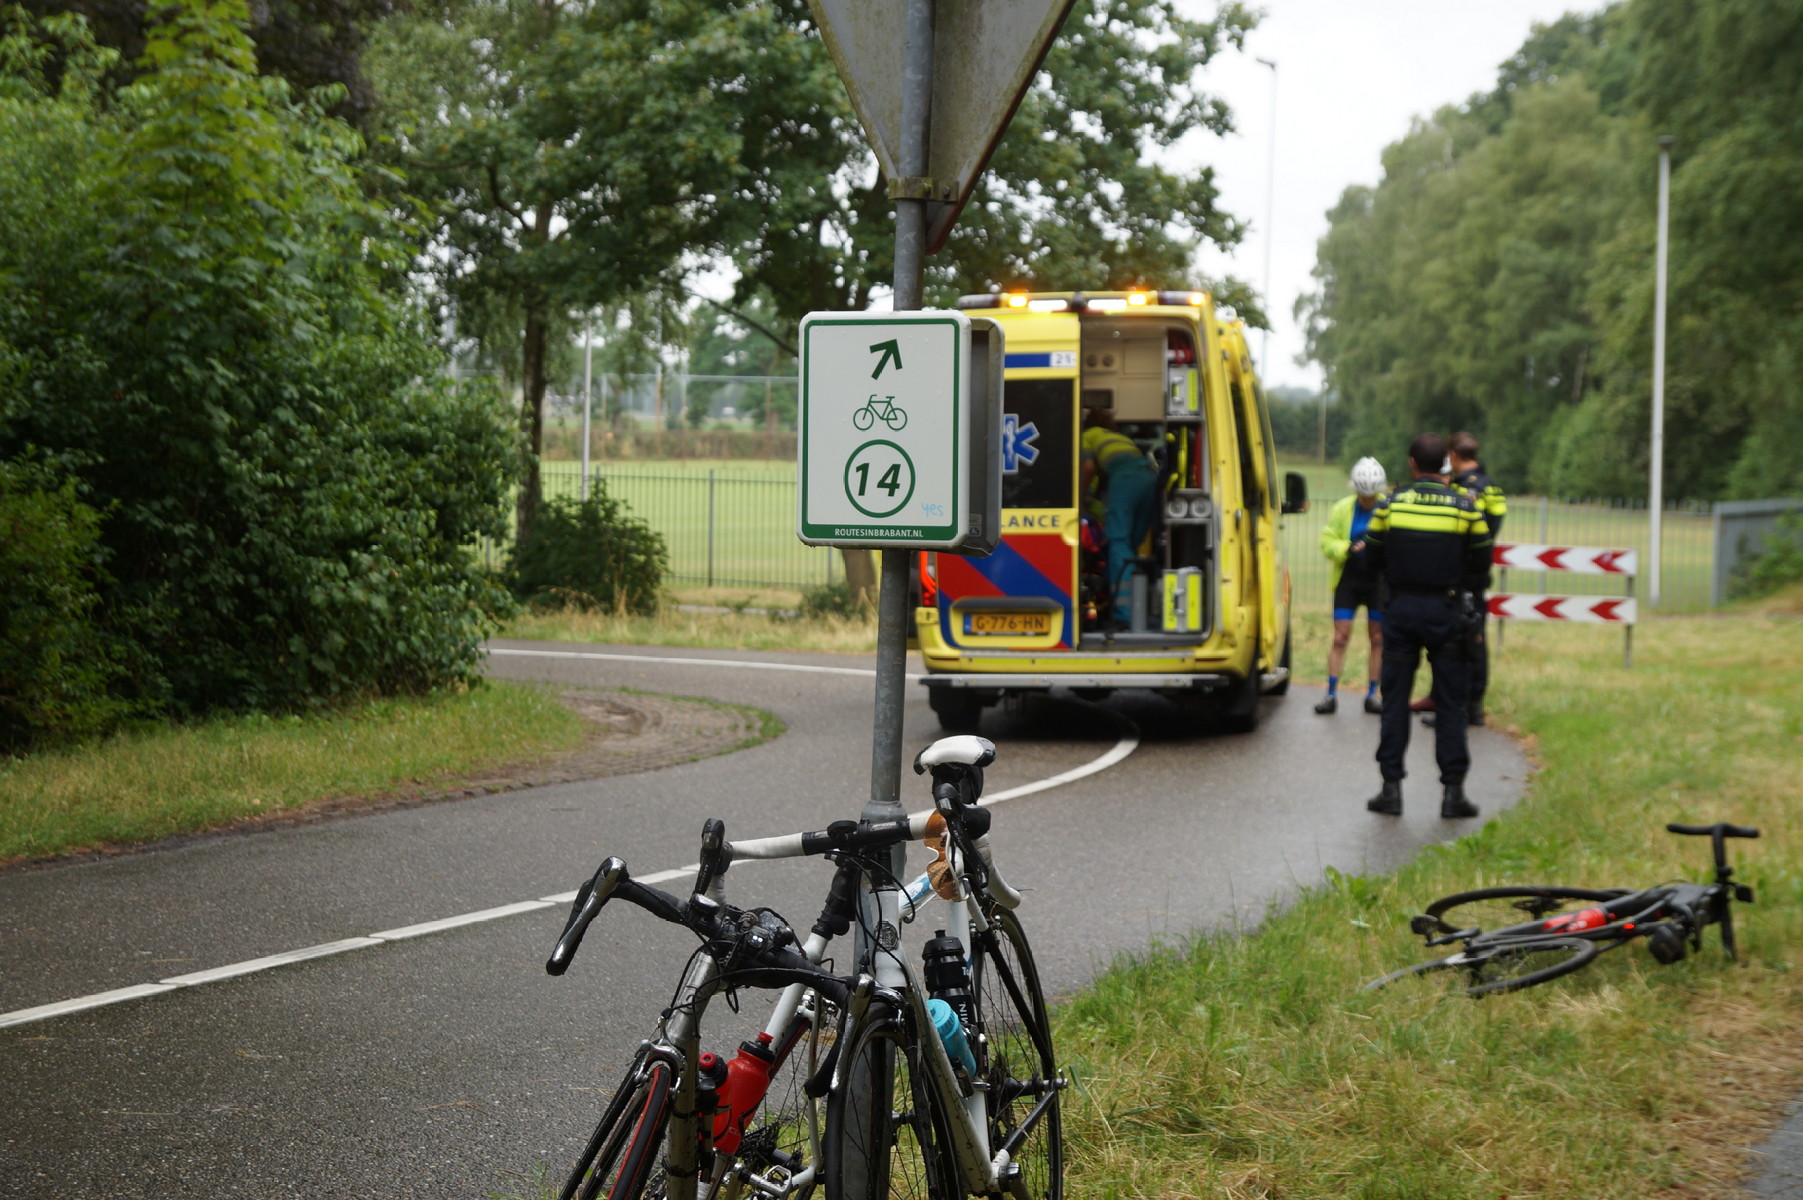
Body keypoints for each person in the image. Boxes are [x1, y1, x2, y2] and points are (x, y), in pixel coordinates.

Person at [1361, 432, 1493, 819]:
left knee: (1395, 702)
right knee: (1451, 704)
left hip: (1401, 611)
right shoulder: (1465, 508)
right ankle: (1453, 795)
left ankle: (1390, 790)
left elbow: (1371, 559)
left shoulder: (1391, 505)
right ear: (1446, 466)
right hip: (1447, 612)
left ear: (1412, 464)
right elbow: (1483, 561)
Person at [1315, 456, 1388, 715]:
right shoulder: (1342, 508)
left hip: (1377, 581)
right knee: (1340, 637)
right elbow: (1327, 541)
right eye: (1362, 495)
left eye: (1371, 496)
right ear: (1355, 490)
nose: (1367, 500)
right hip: (1349, 579)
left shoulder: (1388, 507)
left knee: (1378, 638)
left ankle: (1373, 694)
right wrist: (1347, 548)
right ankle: (1331, 694)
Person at [1080, 408, 1157, 625]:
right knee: (1131, 547)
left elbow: (1087, 468)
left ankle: (1123, 614)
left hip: (1125, 479)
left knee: (1118, 544)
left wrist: (1081, 498)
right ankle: (1140, 608)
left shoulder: (1087, 436)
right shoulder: (1120, 439)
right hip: (1149, 480)